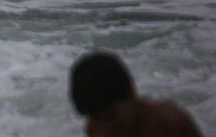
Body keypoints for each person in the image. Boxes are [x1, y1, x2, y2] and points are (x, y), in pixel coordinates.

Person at [69, 50, 203, 137]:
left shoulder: (170, 123)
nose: (107, 125)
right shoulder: (95, 128)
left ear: (131, 92)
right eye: (96, 117)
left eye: (111, 115)